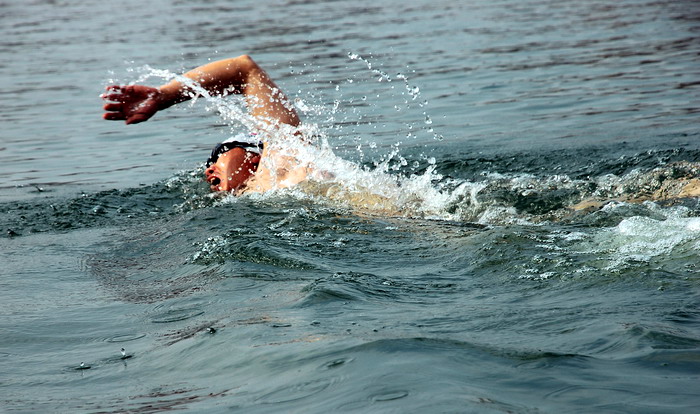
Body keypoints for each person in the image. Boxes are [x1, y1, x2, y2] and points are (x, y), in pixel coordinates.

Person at [102, 55, 309, 194]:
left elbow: (245, 69)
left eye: (221, 154)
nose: (209, 170)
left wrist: (164, 96)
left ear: (254, 159)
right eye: (209, 165)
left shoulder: (284, 161)